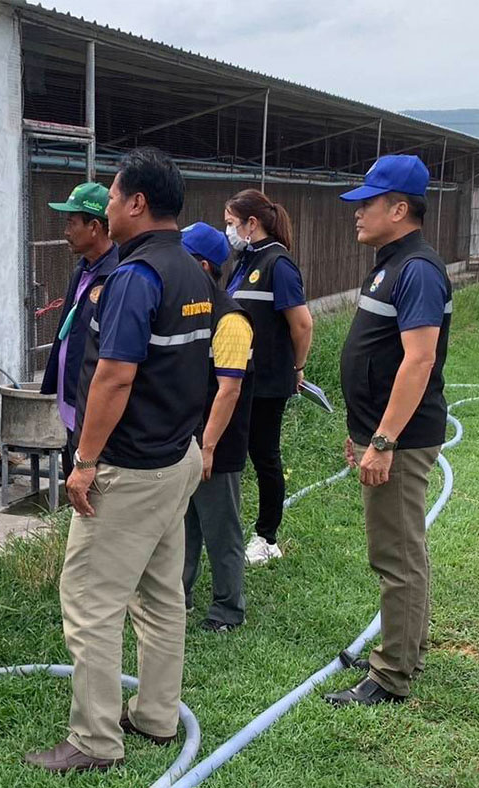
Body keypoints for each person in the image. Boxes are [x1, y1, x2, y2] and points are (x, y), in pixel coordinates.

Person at [24, 148, 207, 772]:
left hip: (129, 470)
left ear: (137, 203)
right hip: (176, 459)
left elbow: (114, 377)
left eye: (111, 197)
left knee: (89, 604)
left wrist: (85, 461)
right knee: (160, 597)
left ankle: (95, 741)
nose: (105, 208)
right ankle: (156, 715)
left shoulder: (136, 277)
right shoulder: (193, 272)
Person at [323, 155, 452, 706]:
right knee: (402, 550)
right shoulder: (392, 265)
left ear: (399, 209)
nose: (357, 212)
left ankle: (391, 674)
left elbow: (418, 360)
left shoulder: (416, 269)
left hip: (401, 440)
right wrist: (364, 428)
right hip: (384, 433)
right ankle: (405, 648)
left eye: (367, 203)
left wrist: (383, 440)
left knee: (396, 556)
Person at [224, 189, 313, 565]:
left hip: (267, 379)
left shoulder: (278, 263)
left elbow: (302, 324)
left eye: (230, 223)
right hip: (239, 377)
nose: (228, 231)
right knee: (235, 454)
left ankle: (267, 537)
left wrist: (296, 368)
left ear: (252, 223)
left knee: (265, 456)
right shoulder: (245, 261)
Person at [179, 222, 254, 633]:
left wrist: (207, 448)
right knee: (183, 525)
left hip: (216, 444)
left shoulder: (231, 321)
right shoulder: (190, 311)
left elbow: (229, 390)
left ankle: (228, 609)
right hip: (186, 439)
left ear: (203, 266)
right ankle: (178, 597)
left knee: (221, 528)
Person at [40, 183, 119, 477]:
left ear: (95, 227)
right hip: (71, 403)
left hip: (92, 407)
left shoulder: (116, 275)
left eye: (72, 223)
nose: (66, 231)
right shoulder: (83, 270)